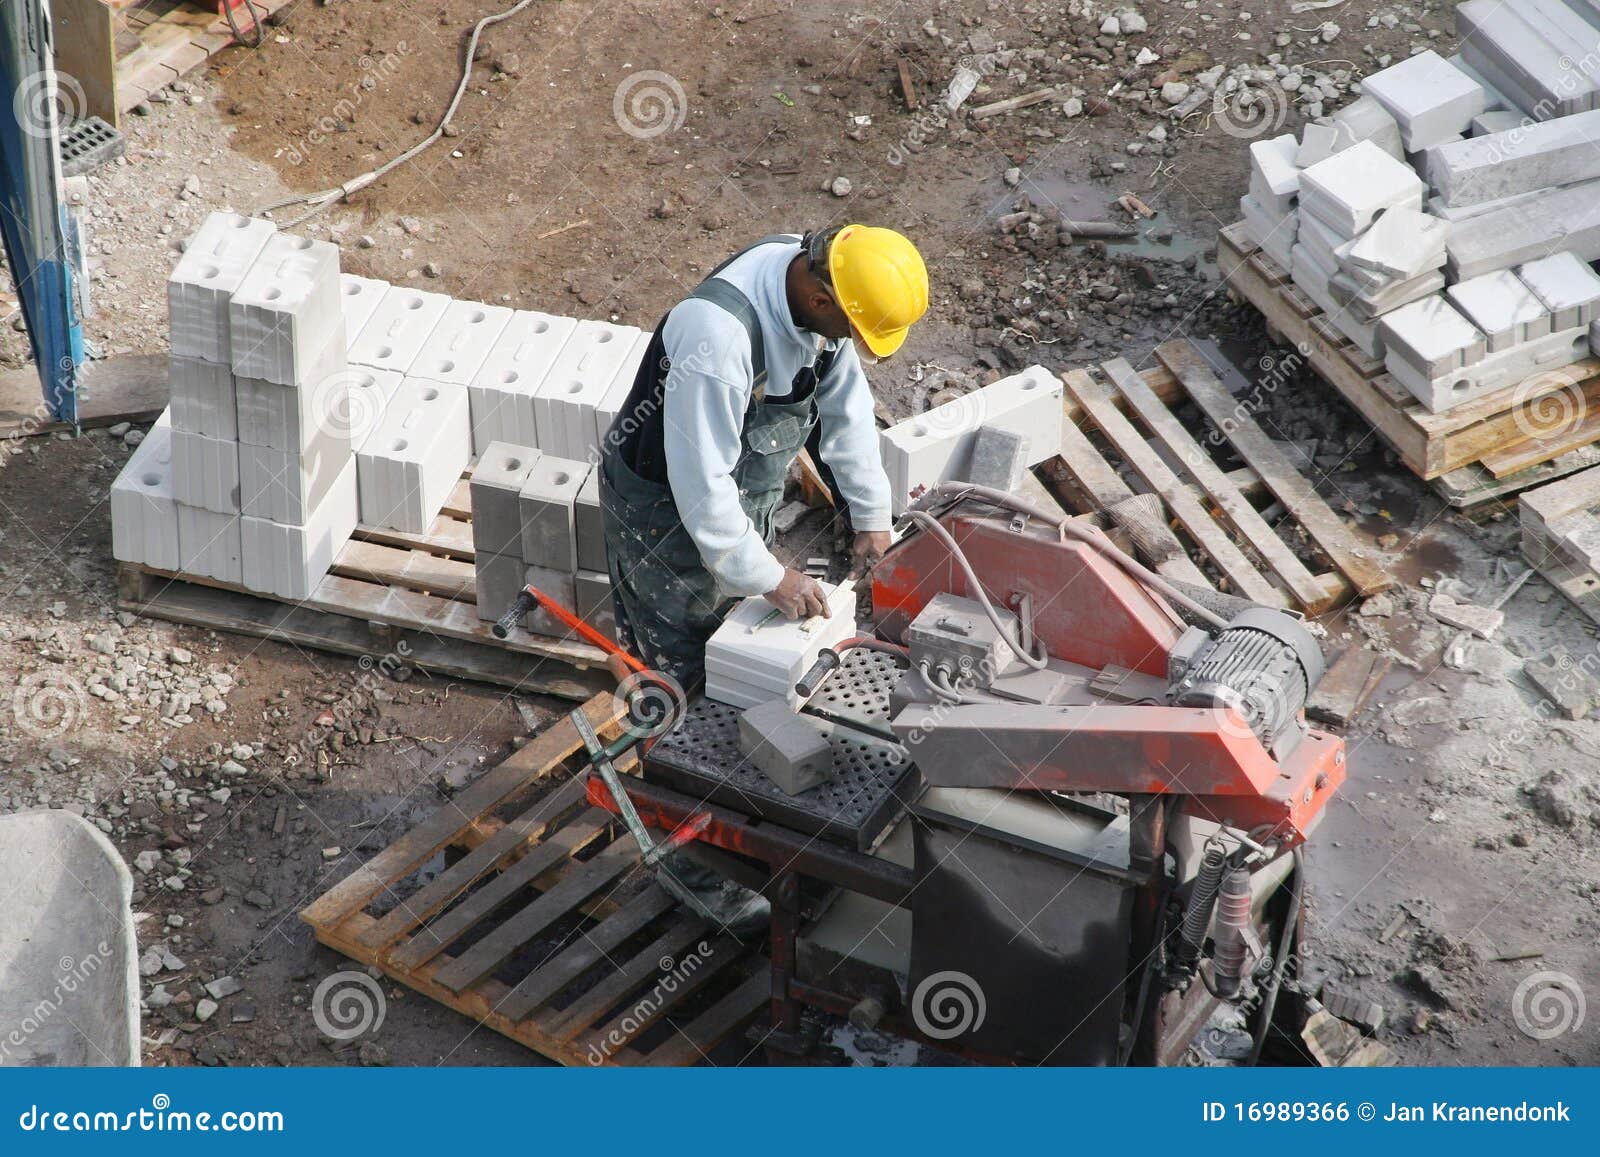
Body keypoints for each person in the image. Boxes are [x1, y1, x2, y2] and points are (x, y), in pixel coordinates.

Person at [599, 225, 929, 686]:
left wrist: (871, 517)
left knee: (741, 635)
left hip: (731, 492)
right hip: (663, 507)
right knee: (686, 652)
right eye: (851, 332)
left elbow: (846, 414)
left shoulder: (817, 278)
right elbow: (700, 484)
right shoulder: (717, 338)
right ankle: (666, 708)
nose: (849, 343)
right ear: (820, 302)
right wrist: (770, 578)